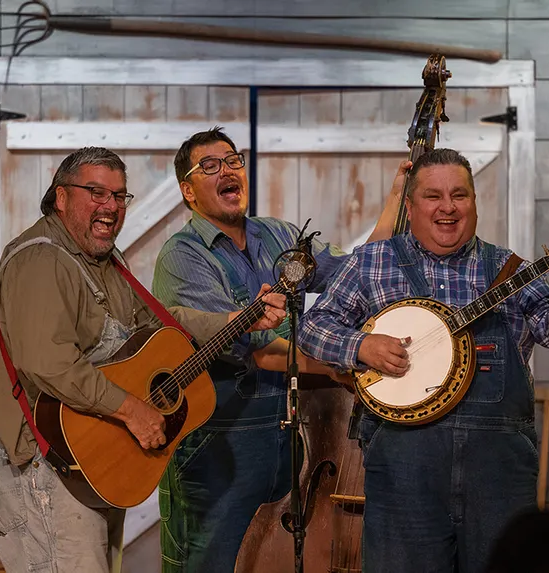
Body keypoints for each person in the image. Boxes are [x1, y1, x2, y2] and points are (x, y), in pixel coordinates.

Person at [0, 146, 288, 573]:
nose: (110, 206)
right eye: (96, 192)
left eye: (119, 196)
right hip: (46, 463)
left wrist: (239, 319)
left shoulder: (103, 260)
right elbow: (50, 365)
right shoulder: (39, 259)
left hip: (93, 460)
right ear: (61, 197)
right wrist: (133, 411)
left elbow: (163, 324)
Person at [297, 148, 549, 573]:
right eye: (433, 196)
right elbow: (312, 328)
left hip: (497, 475)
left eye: (460, 195)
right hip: (404, 472)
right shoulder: (372, 263)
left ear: (474, 202)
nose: (448, 207)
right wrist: (361, 347)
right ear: (410, 205)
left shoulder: (508, 269)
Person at [150, 126, 409, 572]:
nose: (228, 170)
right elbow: (258, 349)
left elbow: (356, 274)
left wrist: (396, 199)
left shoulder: (278, 235)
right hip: (221, 443)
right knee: (213, 563)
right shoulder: (183, 256)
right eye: (209, 166)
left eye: (233, 160)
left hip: (290, 435)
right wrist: (340, 363)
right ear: (187, 191)